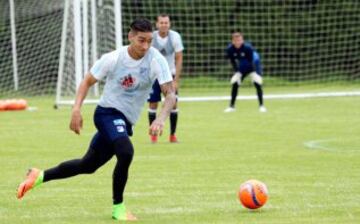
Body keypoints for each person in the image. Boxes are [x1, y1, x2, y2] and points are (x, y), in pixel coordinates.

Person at [16, 18, 176, 221]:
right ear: (130, 37)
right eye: (141, 40)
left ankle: (39, 176)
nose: (145, 46)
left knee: (88, 165)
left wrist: (161, 118)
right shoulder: (113, 58)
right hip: (106, 113)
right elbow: (87, 81)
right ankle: (118, 208)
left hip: (125, 121)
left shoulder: (156, 60)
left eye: (149, 41)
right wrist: (76, 109)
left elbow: (170, 94)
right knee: (126, 152)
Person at [148, 14, 184, 143]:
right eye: (161, 23)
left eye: (166, 23)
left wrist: (176, 80)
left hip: (170, 75)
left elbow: (179, 58)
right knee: (153, 103)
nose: (164, 25)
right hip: (154, 75)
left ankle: (172, 135)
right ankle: (153, 134)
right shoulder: (151, 37)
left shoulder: (175, 37)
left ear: (169, 24)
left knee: (173, 104)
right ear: (157, 24)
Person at [224, 32, 266, 113]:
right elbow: (233, 62)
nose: (238, 42)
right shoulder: (230, 49)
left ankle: (261, 106)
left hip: (253, 64)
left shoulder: (248, 48)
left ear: (242, 40)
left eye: (240, 40)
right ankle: (231, 107)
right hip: (242, 65)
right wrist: (237, 72)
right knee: (235, 83)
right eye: (236, 41)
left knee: (257, 83)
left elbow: (251, 62)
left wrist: (254, 74)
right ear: (233, 41)